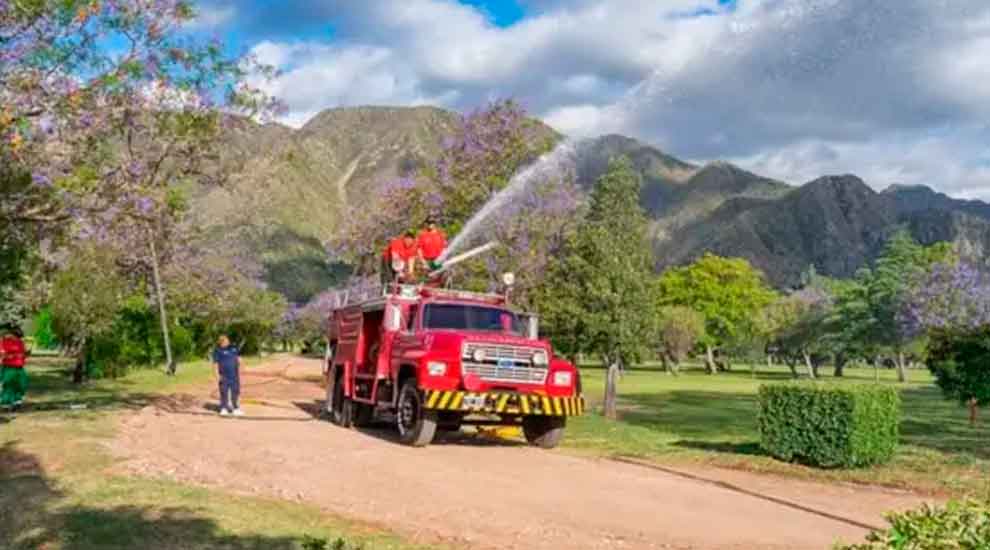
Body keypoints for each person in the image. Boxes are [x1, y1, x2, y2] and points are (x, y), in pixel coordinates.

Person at [212, 334, 243, 416]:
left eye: (226, 340)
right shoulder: (217, 350)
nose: (225, 342)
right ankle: (224, 408)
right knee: (224, 392)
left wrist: (240, 366)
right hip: (223, 375)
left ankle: (235, 408)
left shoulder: (233, 348)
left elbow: (239, 358)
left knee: (235, 391)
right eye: (222, 341)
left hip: (234, 375)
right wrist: (216, 375)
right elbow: (215, 363)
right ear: (220, 342)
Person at [0, 326, 28, 409]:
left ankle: (17, 401)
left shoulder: (20, 342)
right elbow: (2, 354)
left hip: (19, 366)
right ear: (12, 334)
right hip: (9, 366)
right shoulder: (4, 342)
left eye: (19, 337)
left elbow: (23, 353)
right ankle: (6, 402)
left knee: (21, 383)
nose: (17, 339)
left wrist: (26, 354)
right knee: (8, 384)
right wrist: (9, 356)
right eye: (16, 336)